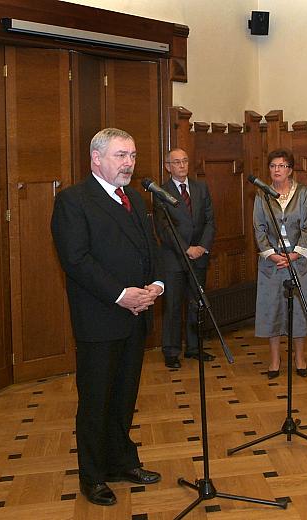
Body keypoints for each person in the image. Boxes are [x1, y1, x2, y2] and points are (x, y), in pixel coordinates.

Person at [51, 128, 163, 506]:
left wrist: (156, 285)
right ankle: (93, 476)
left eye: (132, 155)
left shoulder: (134, 197)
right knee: (96, 400)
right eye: (120, 155)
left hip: (136, 315)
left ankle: (121, 461)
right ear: (96, 158)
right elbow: (76, 259)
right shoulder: (73, 200)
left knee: (124, 396)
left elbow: (150, 248)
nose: (129, 163)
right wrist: (120, 295)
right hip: (100, 319)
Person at [253, 149, 307, 379]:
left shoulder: (304, 192)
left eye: (282, 166)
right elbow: (259, 228)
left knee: (299, 310)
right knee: (273, 308)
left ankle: (299, 356)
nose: (277, 170)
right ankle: (275, 358)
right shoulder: (261, 194)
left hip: (299, 262)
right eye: (273, 166)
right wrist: (273, 255)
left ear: (290, 170)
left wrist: (294, 255)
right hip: (272, 263)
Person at [155, 148, 216, 369]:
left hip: (199, 256)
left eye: (185, 161)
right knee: (172, 306)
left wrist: (202, 247)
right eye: (177, 162)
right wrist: (186, 248)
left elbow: (210, 220)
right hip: (174, 259)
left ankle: (194, 348)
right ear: (168, 166)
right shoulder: (161, 192)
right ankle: (171, 351)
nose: (182, 165)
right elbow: (164, 229)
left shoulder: (200, 188)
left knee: (196, 304)